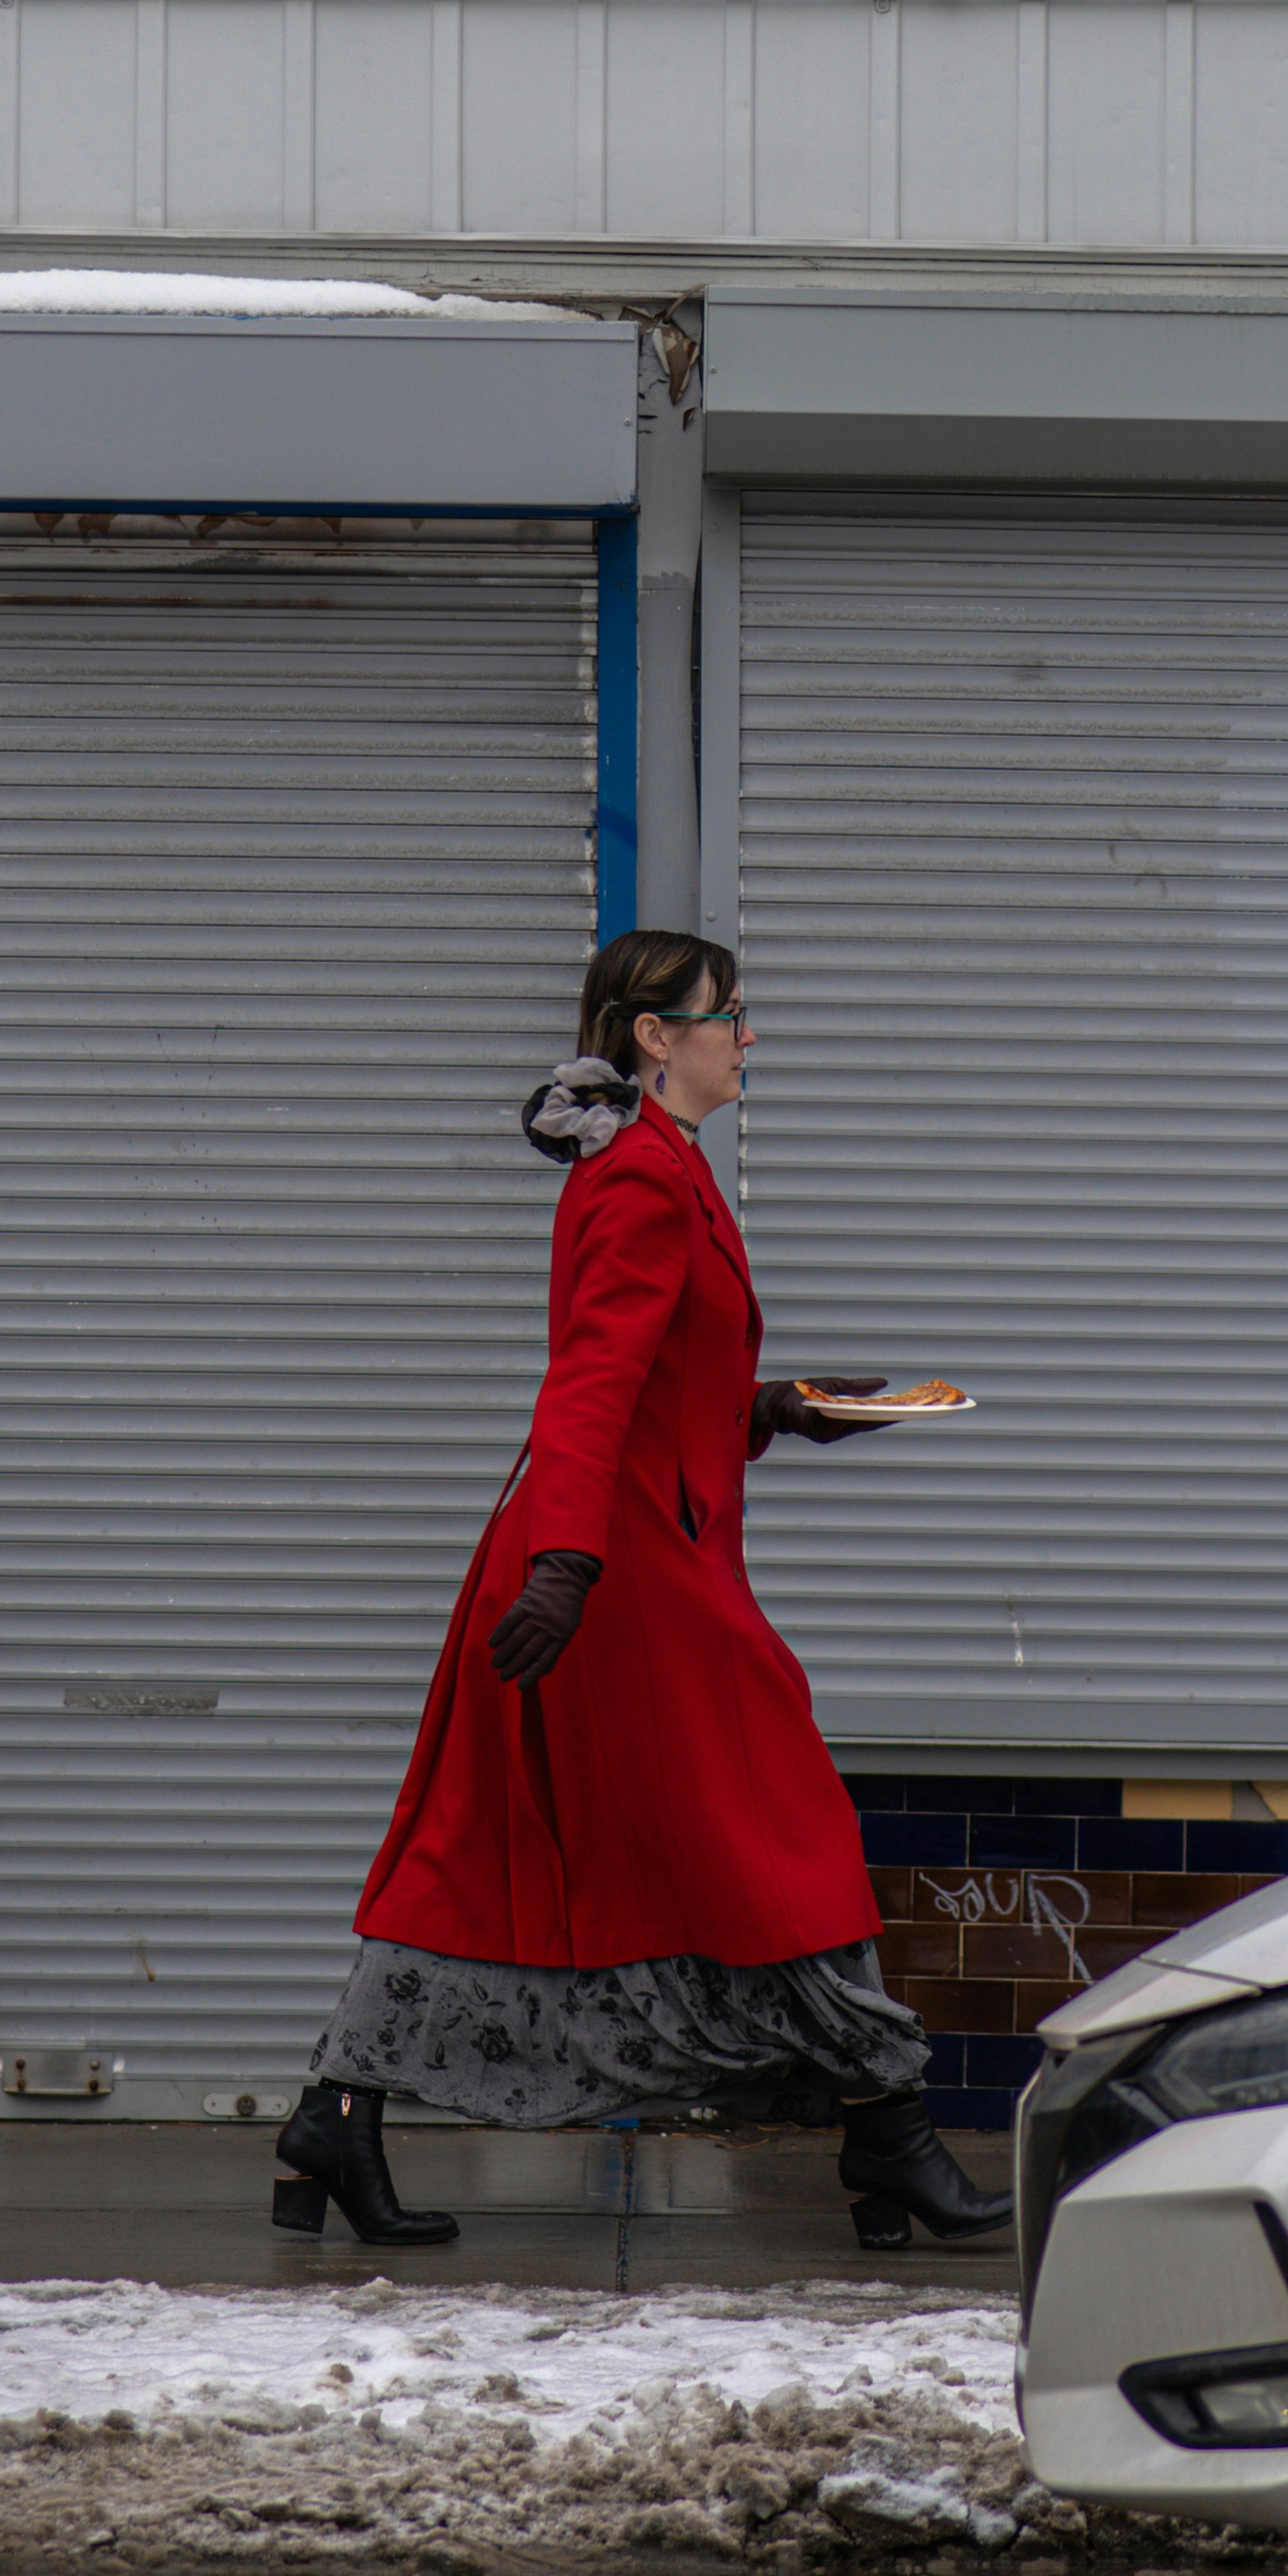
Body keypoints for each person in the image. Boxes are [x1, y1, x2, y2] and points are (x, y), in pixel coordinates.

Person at [272, 929, 1011, 2255]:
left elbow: (662, 1383)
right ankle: (887, 2129)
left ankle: (336, 2114)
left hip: (625, 1562)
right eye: (728, 1014)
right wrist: (566, 1565)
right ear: (655, 1037)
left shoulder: (661, 1167)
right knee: (780, 1831)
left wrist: (774, 1409)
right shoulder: (641, 1183)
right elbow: (589, 1387)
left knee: (482, 1846)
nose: (748, 1036)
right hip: (618, 1580)